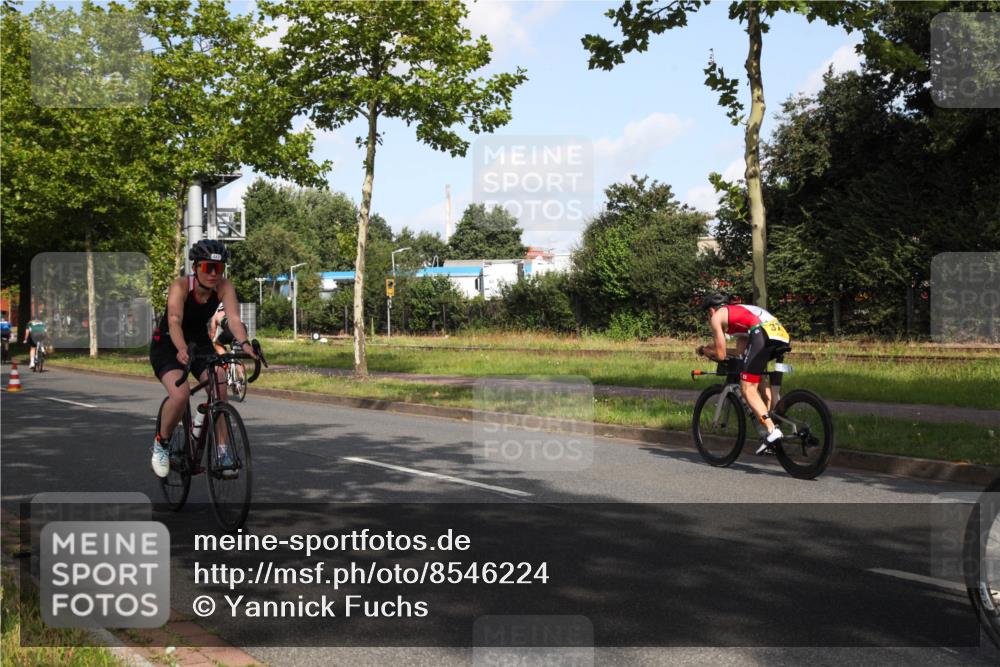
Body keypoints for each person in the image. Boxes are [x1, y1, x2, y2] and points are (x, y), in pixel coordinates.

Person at [149, 240, 256, 478]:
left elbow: (234, 320)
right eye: (207, 267)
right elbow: (174, 320)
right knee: (180, 394)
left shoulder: (224, 286)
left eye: (218, 269)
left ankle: (223, 449)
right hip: (167, 342)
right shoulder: (180, 286)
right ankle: (161, 443)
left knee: (219, 380)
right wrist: (180, 348)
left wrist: (246, 344)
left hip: (198, 341)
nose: (212, 274)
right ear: (196, 267)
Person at [696, 293, 791, 454]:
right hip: (780, 334)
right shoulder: (740, 314)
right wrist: (718, 350)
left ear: (711, 310)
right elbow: (741, 353)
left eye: (707, 313)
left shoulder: (716, 317)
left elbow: (721, 355)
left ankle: (771, 430)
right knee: (758, 378)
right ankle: (773, 429)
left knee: (747, 388)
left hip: (761, 333)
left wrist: (704, 350)